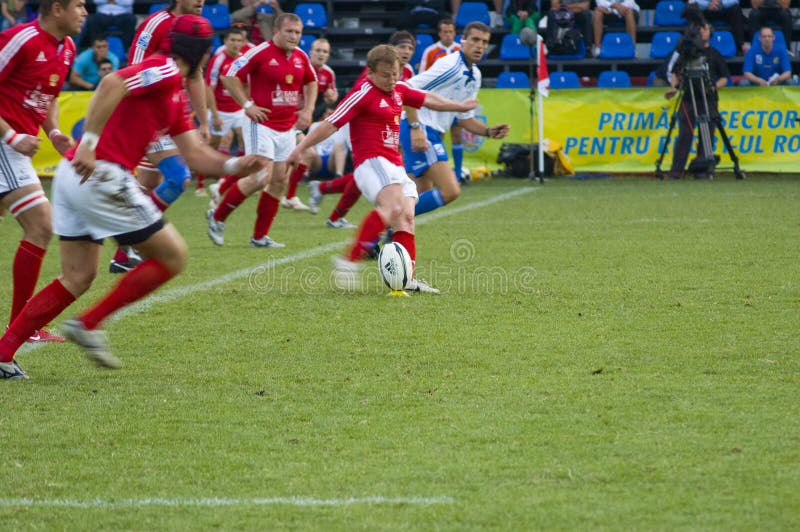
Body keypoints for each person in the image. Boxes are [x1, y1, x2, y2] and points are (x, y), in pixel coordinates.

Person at [0, 15, 266, 380]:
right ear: (202, 53)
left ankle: (3, 351)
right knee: (173, 256)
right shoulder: (166, 70)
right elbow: (112, 81)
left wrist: (239, 164)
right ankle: (90, 323)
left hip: (71, 177)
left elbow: (195, 155)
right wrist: (89, 145)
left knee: (78, 277)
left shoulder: (173, 94)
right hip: (100, 175)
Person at [286, 44, 477, 293]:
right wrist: (299, 149)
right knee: (393, 206)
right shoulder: (362, 93)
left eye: (395, 74)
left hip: (394, 163)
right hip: (371, 160)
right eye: (385, 75)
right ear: (371, 73)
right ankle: (347, 261)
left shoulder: (398, 89)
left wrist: (459, 107)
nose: (391, 80)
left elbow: (428, 99)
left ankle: (407, 278)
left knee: (407, 216)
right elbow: (330, 124)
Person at [0, 0, 86, 348]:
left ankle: (22, 326)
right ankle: (21, 327)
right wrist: (11, 136)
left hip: (17, 147)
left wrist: (51, 132)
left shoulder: (66, 48)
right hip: (5, 145)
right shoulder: (20, 39)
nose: (84, 12)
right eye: (79, 5)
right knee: (41, 225)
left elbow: (47, 97)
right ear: (56, 8)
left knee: (39, 227)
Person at [105, 0, 210, 274]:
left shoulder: (195, 29)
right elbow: (132, 73)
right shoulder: (155, 24)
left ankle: (122, 253)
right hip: (150, 117)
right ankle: (134, 240)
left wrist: (204, 120)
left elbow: (196, 75)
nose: (201, 1)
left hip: (173, 116)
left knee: (150, 182)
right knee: (177, 177)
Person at [206, 13, 316, 249]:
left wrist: (308, 109)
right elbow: (228, 75)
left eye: (298, 33)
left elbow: (311, 81)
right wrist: (247, 105)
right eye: (289, 32)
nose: (294, 37)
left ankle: (259, 237)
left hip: (287, 127)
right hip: (261, 123)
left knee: (278, 182)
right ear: (276, 31)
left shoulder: (300, 57)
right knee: (261, 175)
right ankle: (217, 217)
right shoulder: (259, 52)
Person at [307, 31, 418, 228]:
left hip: (382, 126)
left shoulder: (405, 71)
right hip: (360, 120)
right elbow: (364, 96)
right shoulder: (379, 68)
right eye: (402, 47)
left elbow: (403, 100)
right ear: (392, 50)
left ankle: (326, 197)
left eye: (410, 48)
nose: (406, 51)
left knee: (368, 176)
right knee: (367, 171)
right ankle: (339, 216)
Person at [402, 21, 509, 217]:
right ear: (463, 40)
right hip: (420, 127)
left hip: (428, 130)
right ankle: (388, 224)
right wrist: (415, 126)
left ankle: (379, 239)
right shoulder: (450, 66)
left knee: (417, 196)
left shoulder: (475, 74)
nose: (480, 46)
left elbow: (464, 118)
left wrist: (487, 131)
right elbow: (406, 89)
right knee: (450, 190)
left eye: (485, 42)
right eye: (475, 40)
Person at [664, 21, 729, 179]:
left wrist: (713, 87)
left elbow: (724, 78)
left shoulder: (714, 54)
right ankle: (676, 171)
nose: (702, 31)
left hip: (708, 99)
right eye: (700, 29)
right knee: (685, 134)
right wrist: (674, 87)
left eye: (705, 28)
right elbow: (675, 72)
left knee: (706, 134)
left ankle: (702, 169)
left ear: (710, 32)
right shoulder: (687, 53)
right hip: (688, 98)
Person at [281, 37, 338, 211]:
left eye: (325, 51)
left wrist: (331, 100)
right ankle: (225, 184)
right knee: (303, 154)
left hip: (301, 121)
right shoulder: (299, 67)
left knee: (306, 155)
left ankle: (289, 196)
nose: (321, 54)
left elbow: (329, 99)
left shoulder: (328, 73)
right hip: (285, 117)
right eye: (318, 50)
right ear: (310, 52)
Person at [417, 18, 468, 185]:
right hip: (437, 102)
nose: (447, 34)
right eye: (444, 31)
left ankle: (458, 175)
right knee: (439, 135)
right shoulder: (431, 51)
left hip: (457, 101)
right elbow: (423, 76)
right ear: (439, 33)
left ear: (455, 33)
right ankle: (439, 175)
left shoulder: (461, 50)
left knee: (457, 134)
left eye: (450, 31)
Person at [202, 26, 247, 195]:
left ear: (243, 42)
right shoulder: (219, 59)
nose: (236, 43)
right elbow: (209, 88)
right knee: (212, 144)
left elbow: (247, 84)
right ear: (225, 41)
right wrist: (214, 115)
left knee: (243, 139)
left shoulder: (244, 60)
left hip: (238, 109)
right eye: (232, 40)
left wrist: (246, 105)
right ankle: (200, 183)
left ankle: (232, 179)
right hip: (220, 109)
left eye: (239, 40)